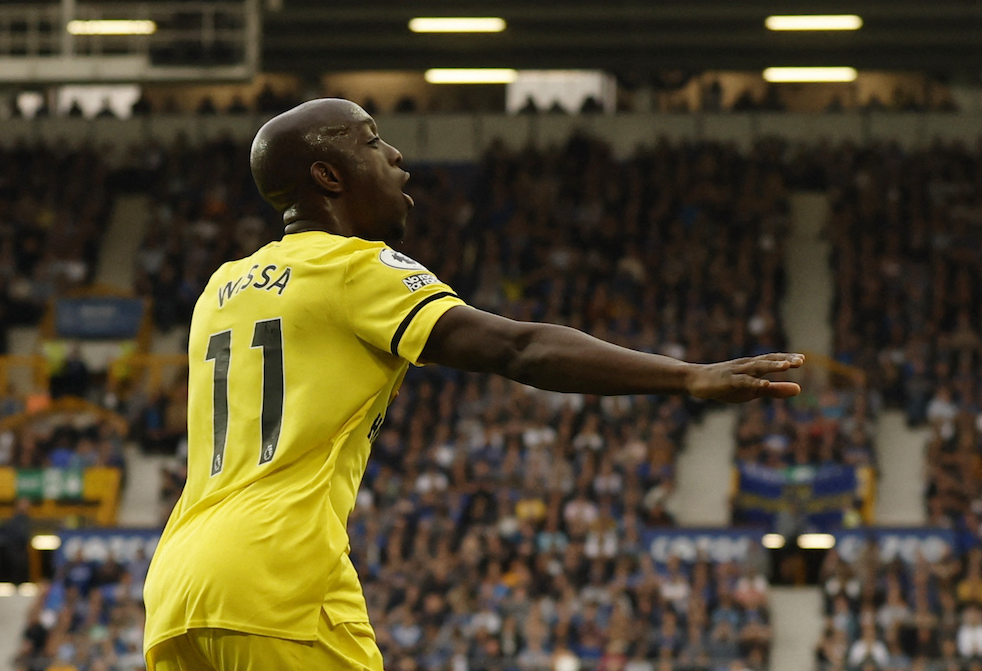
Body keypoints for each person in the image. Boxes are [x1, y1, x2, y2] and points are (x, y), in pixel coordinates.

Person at [142, 98, 805, 671]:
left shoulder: (221, 288)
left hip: (178, 585)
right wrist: (688, 376)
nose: (397, 156)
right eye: (373, 142)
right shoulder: (353, 265)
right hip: (276, 576)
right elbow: (518, 347)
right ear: (328, 176)